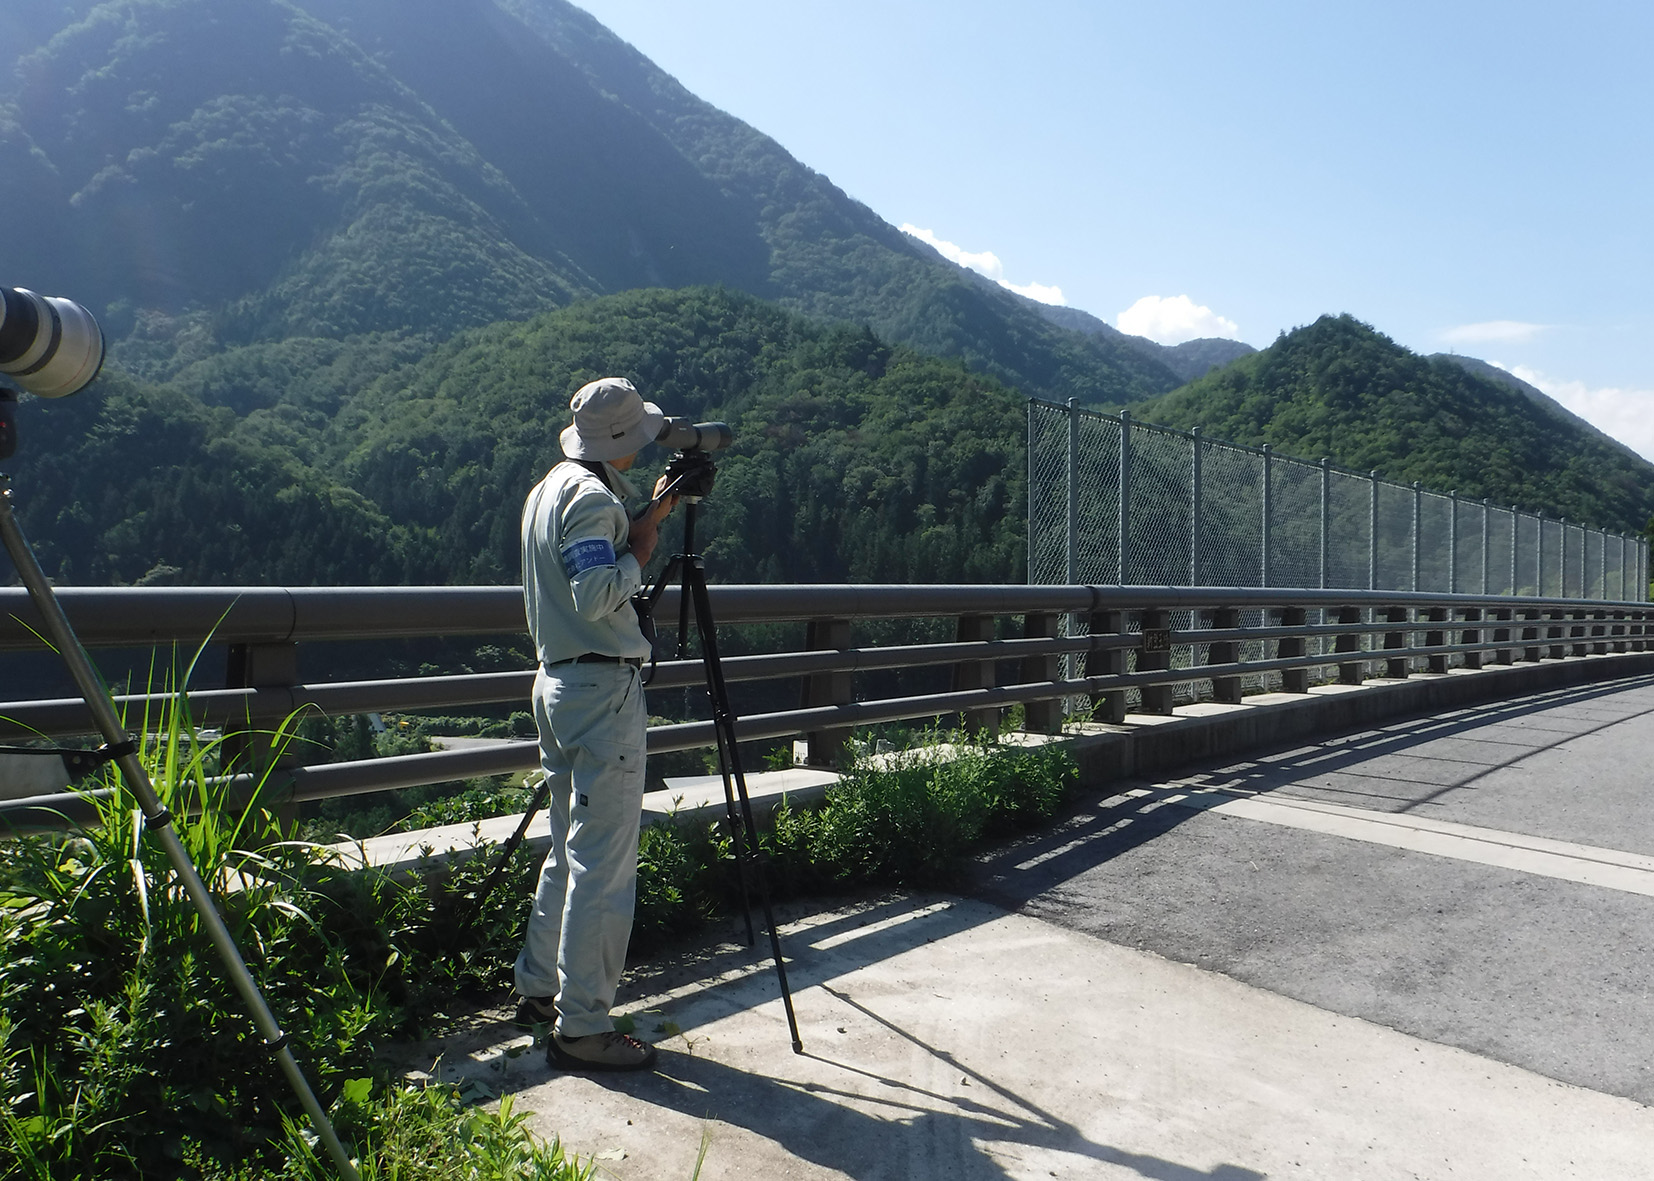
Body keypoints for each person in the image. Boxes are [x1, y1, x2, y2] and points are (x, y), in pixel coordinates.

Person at [513, 376, 677, 1072]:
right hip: (599, 688)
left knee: (568, 846)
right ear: (617, 442)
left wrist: (646, 518)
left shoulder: (551, 487)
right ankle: (582, 1026)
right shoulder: (589, 497)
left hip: (557, 683)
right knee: (603, 865)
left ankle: (538, 986)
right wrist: (642, 544)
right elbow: (596, 591)